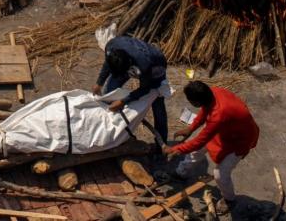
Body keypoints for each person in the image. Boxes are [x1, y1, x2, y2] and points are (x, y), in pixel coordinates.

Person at [164, 81, 260, 214]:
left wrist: (177, 149)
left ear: (196, 103)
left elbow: (199, 140)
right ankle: (182, 172)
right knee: (197, 150)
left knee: (220, 174)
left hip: (241, 140)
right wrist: (191, 128)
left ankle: (229, 199)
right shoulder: (213, 92)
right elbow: (205, 110)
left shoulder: (218, 115)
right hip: (226, 130)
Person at [93, 35, 170, 143]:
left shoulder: (145, 64)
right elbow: (108, 63)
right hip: (130, 63)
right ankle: (108, 131)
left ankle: (161, 143)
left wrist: (123, 101)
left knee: (157, 103)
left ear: (129, 66)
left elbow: (145, 89)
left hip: (155, 67)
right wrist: (99, 83)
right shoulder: (111, 47)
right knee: (109, 91)